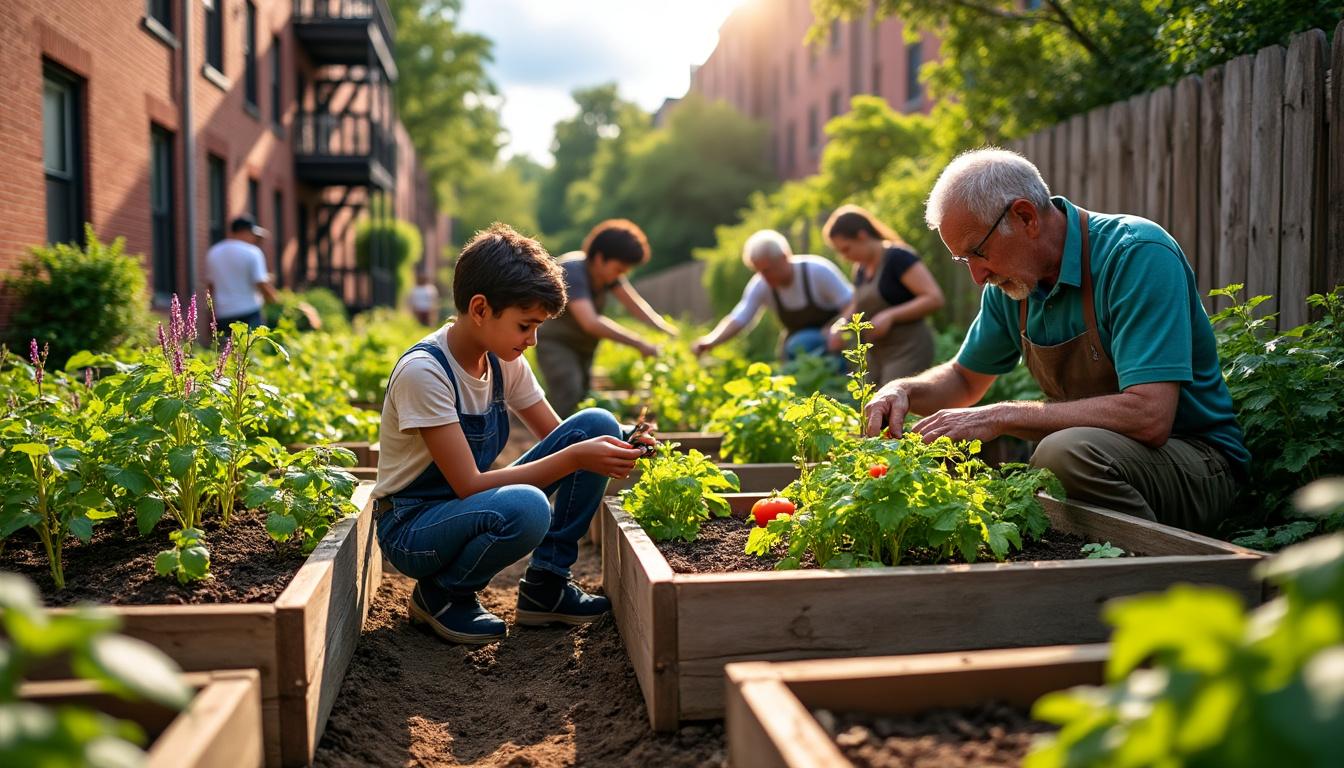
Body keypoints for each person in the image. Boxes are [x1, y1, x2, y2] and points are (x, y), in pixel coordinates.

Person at [863, 148, 1248, 534]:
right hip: (1102, 462)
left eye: (978, 252)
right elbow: (964, 380)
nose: (978, 277)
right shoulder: (1012, 286)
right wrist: (903, 391)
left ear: (1025, 217)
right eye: (965, 260)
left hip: (1197, 464)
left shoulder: (1135, 255)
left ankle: (1160, 574)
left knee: (1061, 454)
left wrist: (999, 416)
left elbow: (1149, 416)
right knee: (1052, 458)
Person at [371, 223, 653, 645]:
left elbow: (564, 437)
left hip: (466, 505)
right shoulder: (426, 372)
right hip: (413, 526)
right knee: (528, 508)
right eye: (525, 326)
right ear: (481, 309)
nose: (533, 340)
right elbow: (469, 483)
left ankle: (546, 586)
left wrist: (620, 441)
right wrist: (578, 457)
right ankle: (442, 595)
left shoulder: (503, 361)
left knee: (598, 422)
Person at [536, 219, 678, 417]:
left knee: (582, 398)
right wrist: (639, 343)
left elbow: (633, 304)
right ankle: (553, 445)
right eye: (619, 268)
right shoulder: (573, 271)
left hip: (583, 347)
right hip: (557, 344)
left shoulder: (606, 275)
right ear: (600, 257)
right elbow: (591, 322)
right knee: (568, 392)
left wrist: (664, 328)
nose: (621, 275)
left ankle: (575, 443)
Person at [822, 204, 944, 384]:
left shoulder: (898, 258)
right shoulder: (860, 269)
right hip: (876, 353)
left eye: (846, 249)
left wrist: (891, 316)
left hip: (908, 349)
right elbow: (858, 304)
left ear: (862, 236)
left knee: (893, 405)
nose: (844, 257)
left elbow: (934, 298)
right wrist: (841, 325)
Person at [691, 229, 853, 360]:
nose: (764, 276)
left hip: (838, 344)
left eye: (768, 270)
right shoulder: (761, 284)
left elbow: (852, 303)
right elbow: (739, 318)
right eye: (758, 271)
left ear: (784, 258)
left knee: (804, 341)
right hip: (798, 350)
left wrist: (838, 327)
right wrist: (710, 341)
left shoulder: (817, 271)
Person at [205, 215, 277, 330]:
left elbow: (210, 287)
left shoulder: (213, 252)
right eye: (252, 234)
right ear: (244, 231)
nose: (254, 239)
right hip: (249, 312)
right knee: (252, 347)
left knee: (226, 347)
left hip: (223, 314)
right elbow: (261, 283)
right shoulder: (253, 252)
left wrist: (210, 314)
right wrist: (276, 301)